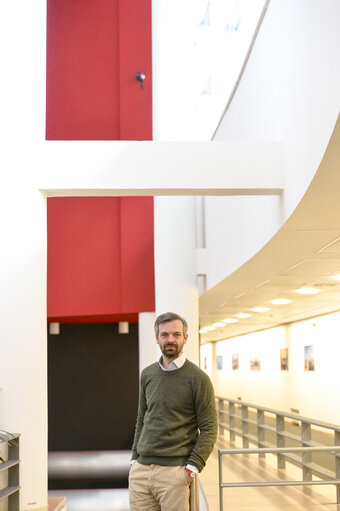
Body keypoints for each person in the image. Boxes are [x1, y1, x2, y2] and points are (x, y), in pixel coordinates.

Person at [129, 312, 217, 511]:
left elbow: (210, 428)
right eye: (165, 334)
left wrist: (192, 467)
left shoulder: (198, 378)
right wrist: (135, 459)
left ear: (185, 338)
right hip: (141, 471)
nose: (170, 339)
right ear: (157, 338)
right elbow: (142, 419)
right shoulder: (148, 374)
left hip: (175, 472)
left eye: (176, 335)